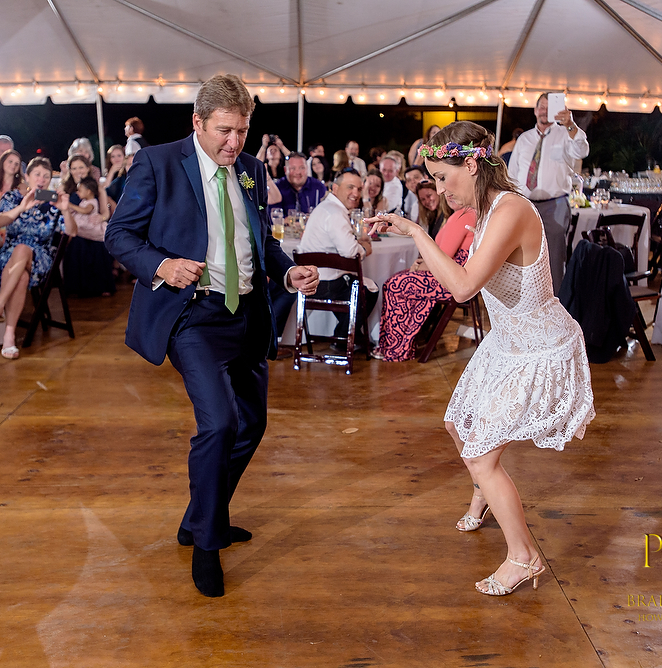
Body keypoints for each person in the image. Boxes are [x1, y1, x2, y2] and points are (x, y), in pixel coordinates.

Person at [103, 73, 320, 598]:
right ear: (197, 122)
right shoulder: (156, 163)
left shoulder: (250, 168)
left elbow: (259, 239)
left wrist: (287, 270)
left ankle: (200, 516)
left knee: (252, 424)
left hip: (246, 314)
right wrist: (161, 265)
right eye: (225, 130)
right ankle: (206, 543)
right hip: (193, 316)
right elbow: (119, 234)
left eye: (242, 131)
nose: (235, 142)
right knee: (219, 423)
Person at [367, 121, 594, 596]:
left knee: (481, 455)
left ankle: (524, 558)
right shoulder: (484, 210)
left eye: (443, 177)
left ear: (472, 165)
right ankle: (483, 493)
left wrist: (414, 230)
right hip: (506, 342)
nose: (439, 189)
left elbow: (464, 286)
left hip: (538, 347)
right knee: (458, 424)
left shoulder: (511, 209)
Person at [0, 157, 77, 360]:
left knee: (23, 249)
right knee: (21, 276)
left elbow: (72, 233)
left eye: (46, 176)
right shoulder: (13, 197)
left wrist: (65, 210)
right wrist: (22, 207)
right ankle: (9, 336)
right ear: (27, 177)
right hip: (10, 256)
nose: (41, 179)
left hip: (41, 257)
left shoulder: (54, 203)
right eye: (37, 174)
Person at [507, 93, 589, 294]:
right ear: (535, 111)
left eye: (549, 107)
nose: (544, 111)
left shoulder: (565, 134)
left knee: (554, 257)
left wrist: (570, 124)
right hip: (526, 205)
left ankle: (555, 301)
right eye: (541, 107)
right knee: (523, 256)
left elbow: (582, 151)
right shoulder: (524, 139)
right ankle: (528, 299)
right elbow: (512, 174)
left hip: (556, 204)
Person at [373, 203, 474, 361]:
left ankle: (396, 349)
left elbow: (442, 258)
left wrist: (419, 267)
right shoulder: (464, 215)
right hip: (450, 276)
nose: (444, 193)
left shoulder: (463, 216)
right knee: (397, 280)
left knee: (395, 285)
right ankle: (397, 344)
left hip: (449, 280)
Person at [297, 169, 378, 348]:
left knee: (355, 286)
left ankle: (351, 336)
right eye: (350, 187)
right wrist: (365, 249)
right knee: (370, 290)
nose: (356, 193)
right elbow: (350, 252)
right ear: (335, 188)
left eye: (359, 189)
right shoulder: (335, 213)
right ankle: (343, 338)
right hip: (325, 284)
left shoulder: (324, 208)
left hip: (309, 281)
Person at [64, 175, 116, 298]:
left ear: (88, 191)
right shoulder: (84, 201)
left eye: (80, 190)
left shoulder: (91, 202)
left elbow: (86, 211)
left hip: (90, 229)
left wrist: (70, 205)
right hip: (81, 230)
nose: (77, 193)